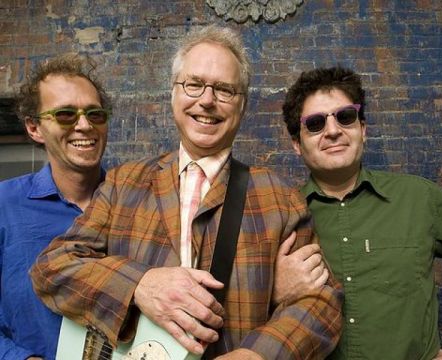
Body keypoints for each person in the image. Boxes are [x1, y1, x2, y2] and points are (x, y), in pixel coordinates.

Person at [30, 26, 343, 359]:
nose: (206, 100)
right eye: (194, 84)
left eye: (224, 90)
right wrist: (140, 284)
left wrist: (260, 354)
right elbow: (53, 267)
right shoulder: (124, 184)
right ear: (173, 93)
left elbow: (323, 304)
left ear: (242, 105)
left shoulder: (279, 197)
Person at [281, 65, 442, 359]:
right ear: (297, 143)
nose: (333, 131)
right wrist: (274, 291)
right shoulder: (281, 216)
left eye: (346, 117)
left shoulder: (419, 198)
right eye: (315, 124)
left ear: (363, 129)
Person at [0, 54, 110, 359]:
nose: (85, 125)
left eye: (95, 114)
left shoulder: (136, 202)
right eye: (65, 114)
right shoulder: (4, 206)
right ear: (35, 128)